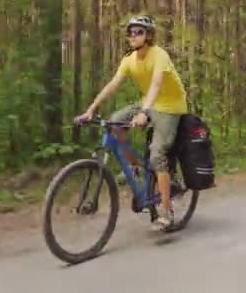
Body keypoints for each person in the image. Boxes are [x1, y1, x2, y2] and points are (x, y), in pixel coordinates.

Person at [75, 15, 188, 230]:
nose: (133, 36)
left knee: (157, 154)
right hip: (149, 102)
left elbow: (155, 85)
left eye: (139, 32)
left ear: (149, 36)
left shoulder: (159, 55)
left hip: (171, 106)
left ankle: (166, 211)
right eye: (131, 33)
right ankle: (136, 167)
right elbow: (112, 86)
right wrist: (91, 110)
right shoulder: (129, 60)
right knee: (116, 121)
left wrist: (145, 112)